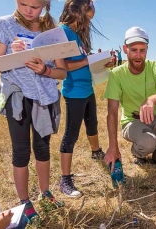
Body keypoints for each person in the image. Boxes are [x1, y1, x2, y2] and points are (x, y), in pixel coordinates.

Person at [0, 0, 65, 221]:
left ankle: (45, 194)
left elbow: (62, 72)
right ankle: (24, 202)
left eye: (34, 6)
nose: (28, 10)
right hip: (18, 95)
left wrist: (45, 69)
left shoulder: (53, 31)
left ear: (45, 5)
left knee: (43, 148)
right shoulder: (4, 24)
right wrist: (12, 56)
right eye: (23, 4)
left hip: (45, 97)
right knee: (21, 151)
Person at [103, 26, 156, 172]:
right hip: (132, 123)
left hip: (154, 119)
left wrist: (152, 100)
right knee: (149, 141)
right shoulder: (116, 74)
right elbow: (112, 112)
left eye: (142, 50)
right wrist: (113, 146)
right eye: (133, 50)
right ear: (125, 49)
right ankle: (138, 152)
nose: (138, 55)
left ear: (147, 49)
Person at [57, 0, 112, 198]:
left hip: (87, 88)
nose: (88, 24)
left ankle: (96, 151)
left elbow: (83, 62)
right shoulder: (62, 32)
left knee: (92, 124)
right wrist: (88, 60)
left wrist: (100, 63)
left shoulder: (80, 35)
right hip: (74, 92)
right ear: (77, 12)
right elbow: (64, 66)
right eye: (87, 19)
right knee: (71, 134)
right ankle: (65, 179)